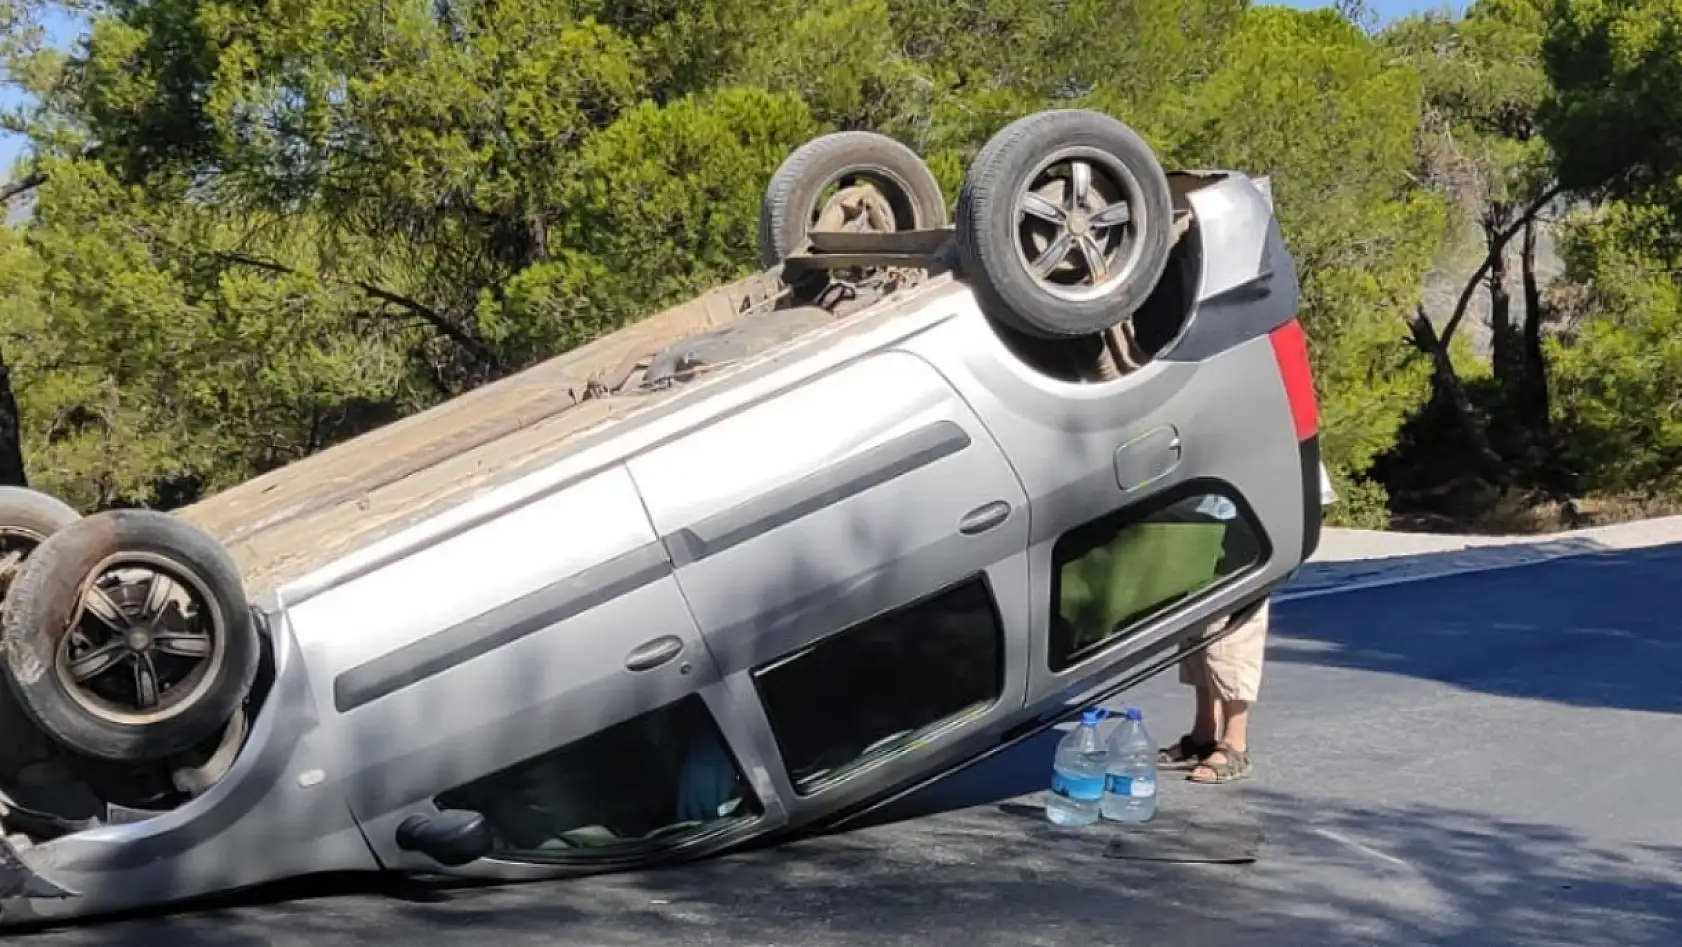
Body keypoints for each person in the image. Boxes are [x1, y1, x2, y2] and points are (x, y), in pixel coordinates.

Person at [1160, 461, 1338, 785]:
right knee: (1196, 620)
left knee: (1231, 626)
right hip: (1207, 498)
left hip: (1252, 503)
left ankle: (1236, 742)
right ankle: (1203, 733)